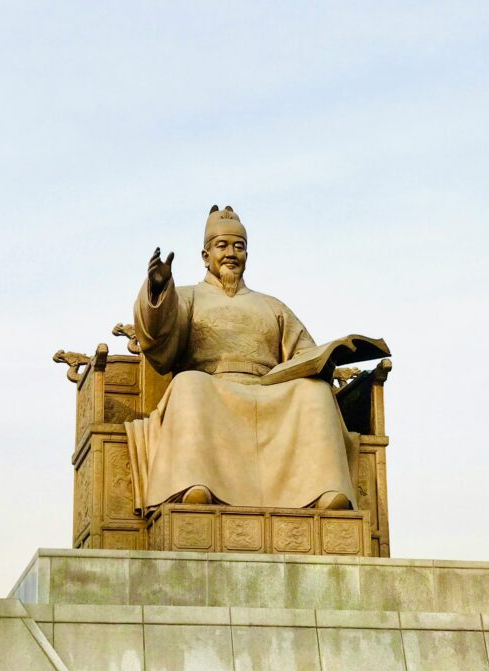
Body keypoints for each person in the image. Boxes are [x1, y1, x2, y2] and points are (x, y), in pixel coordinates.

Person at [126, 205, 357, 512]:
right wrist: (157, 289)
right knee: (189, 383)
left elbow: (304, 352)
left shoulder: (272, 306)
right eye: (222, 246)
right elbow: (157, 337)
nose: (231, 253)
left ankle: (324, 491)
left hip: (270, 389)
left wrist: (322, 360)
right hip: (212, 388)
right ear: (206, 256)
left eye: (239, 246)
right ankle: (193, 485)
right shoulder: (186, 296)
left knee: (314, 391)